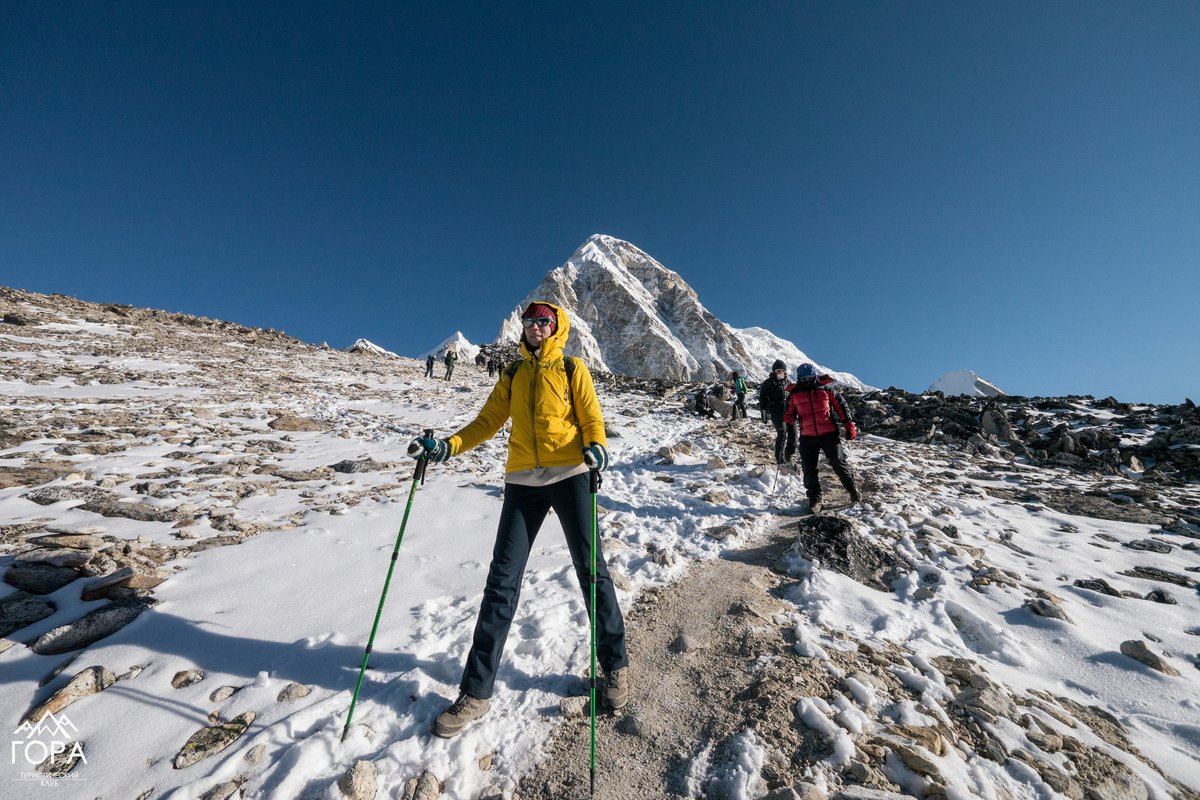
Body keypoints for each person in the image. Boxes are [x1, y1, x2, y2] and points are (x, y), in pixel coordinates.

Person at [410, 301, 629, 738]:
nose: (534, 327)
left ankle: (616, 666)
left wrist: (597, 448)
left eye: (543, 321)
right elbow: (488, 421)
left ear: (556, 326)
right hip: (522, 481)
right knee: (501, 582)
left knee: (591, 571)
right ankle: (476, 692)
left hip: (571, 475)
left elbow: (592, 419)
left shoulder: (571, 369)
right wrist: (448, 447)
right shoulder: (513, 373)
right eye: (529, 321)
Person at [783, 363, 861, 513]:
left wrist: (849, 424)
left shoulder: (826, 389)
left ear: (815, 376)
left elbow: (841, 406)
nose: (807, 381)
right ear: (799, 379)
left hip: (829, 434)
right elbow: (788, 415)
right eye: (804, 379)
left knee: (838, 462)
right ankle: (815, 500)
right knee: (809, 470)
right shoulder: (794, 394)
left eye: (810, 378)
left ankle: (852, 491)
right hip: (807, 437)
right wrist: (789, 432)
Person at [757, 360, 790, 463]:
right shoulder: (768, 382)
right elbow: (762, 397)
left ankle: (788, 456)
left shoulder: (788, 383)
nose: (780, 372)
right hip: (775, 411)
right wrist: (764, 412)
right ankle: (780, 459)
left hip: (789, 411)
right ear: (774, 371)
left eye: (782, 370)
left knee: (793, 436)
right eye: (778, 370)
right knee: (782, 433)